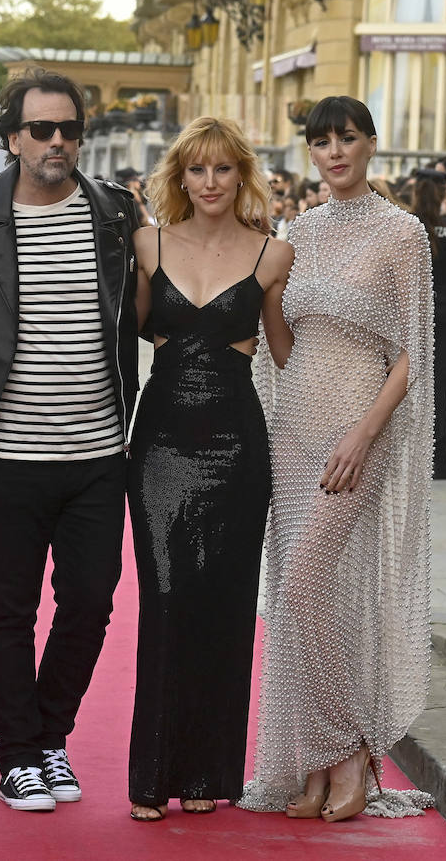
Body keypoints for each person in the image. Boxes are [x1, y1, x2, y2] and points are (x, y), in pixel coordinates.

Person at [0, 67, 140, 812]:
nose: (58, 142)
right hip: (5, 454)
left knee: (90, 602)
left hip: (98, 453)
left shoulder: (115, 210)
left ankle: (51, 737)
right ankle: (18, 754)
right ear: (12, 137)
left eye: (70, 129)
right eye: (42, 129)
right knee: (9, 609)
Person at [241, 95, 434, 822]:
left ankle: (352, 750)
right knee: (297, 599)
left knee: (302, 583)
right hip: (293, 431)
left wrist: (363, 434)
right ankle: (317, 766)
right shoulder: (301, 230)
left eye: (346, 138)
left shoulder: (402, 233)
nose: (334, 153)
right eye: (321, 142)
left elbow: (414, 354)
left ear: (371, 144)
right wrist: (266, 282)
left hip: (358, 437)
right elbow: (287, 351)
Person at [125, 118, 291, 822]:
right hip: (159, 442)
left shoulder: (274, 255)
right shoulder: (145, 244)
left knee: (224, 607)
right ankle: (152, 775)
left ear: (242, 175)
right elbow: (121, 328)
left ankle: (206, 774)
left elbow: (290, 353)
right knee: (165, 603)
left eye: (224, 169)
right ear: (180, 177)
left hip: (236, 447)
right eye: (198, 170)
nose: (212, 182)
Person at [411, 170, 446, 480]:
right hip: (445, 309)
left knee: (402, 386)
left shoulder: (405, 226)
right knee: (441, 387)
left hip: (411, 310)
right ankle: (439, 459)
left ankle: (406, 459)